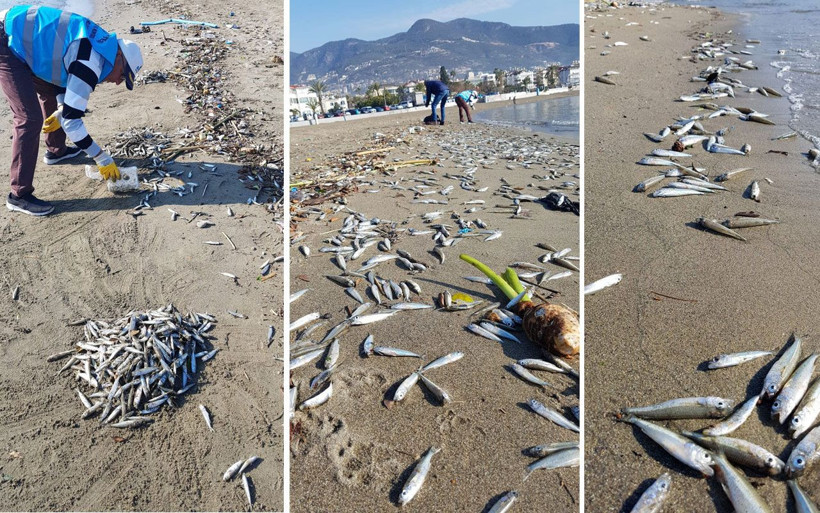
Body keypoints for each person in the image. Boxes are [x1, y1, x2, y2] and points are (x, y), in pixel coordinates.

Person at [0, 5, 143, 215]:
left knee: (50, 94)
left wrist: (60, 107)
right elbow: (72, 122)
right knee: (28, 118)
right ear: (119, 55)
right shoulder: (90, 63)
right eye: (123, 75)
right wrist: (101, 158)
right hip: (9, 41)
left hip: (27, 39)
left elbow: (59, 72)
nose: (118, 82)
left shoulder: (100, 46)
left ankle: (57, 150)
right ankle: (18, 195)